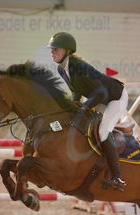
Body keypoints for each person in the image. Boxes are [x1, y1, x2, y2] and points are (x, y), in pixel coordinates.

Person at [47, 32, 128, 191]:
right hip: (100, 98)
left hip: (115, 98)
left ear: (67, 51)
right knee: (83, 124)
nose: (52, 52)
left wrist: (84, 107)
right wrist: (71, 107)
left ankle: (117, 176)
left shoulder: (79, 66)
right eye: (52, 49)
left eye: (56, 49)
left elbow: (101, 93)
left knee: (103, 131)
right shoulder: (61, 69)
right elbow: (77, 91)